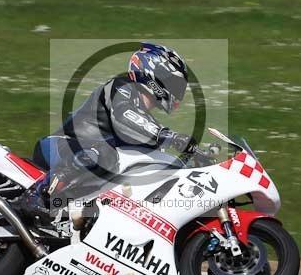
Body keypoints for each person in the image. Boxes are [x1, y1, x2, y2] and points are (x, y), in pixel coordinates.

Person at [16, 42, 197, 223]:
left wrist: (192, 159)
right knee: (104, 154)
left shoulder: (149, 123)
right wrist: (170, 136)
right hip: (60, 146)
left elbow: (153, 153)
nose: (177, 92)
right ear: (154, 73)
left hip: (89, 168)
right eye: (173, 83)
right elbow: (124, 115)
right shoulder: (120, 87)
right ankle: (37, 194)